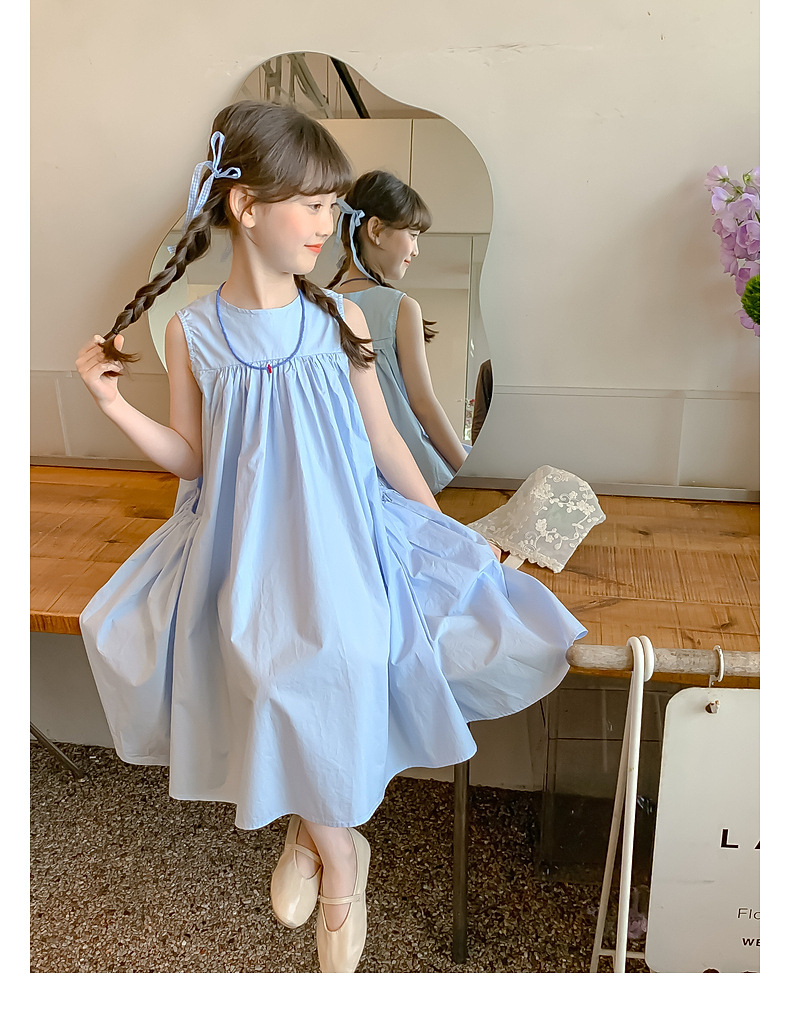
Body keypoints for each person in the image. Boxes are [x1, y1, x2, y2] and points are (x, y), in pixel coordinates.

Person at [75, 100, 586, 974]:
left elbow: (384, 440)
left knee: (344, 661)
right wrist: (111, 403)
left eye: (332, 205)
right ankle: (343, 854)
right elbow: (194, 458)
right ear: (246, 207)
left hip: (344, 539)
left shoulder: (339, 322)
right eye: (312, 204)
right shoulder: (192, 332)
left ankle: (314, 841)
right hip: (245, 546)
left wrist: (443, 535)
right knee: (257, 668)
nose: (328, 223)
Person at [327, 170, 470, 494]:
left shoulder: (318, 308)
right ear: (376, 230)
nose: (416, 250)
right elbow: (423, 404)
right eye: (413, 235)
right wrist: (467, 470)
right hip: (409, 471)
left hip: (346, 475)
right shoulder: (401, 307)